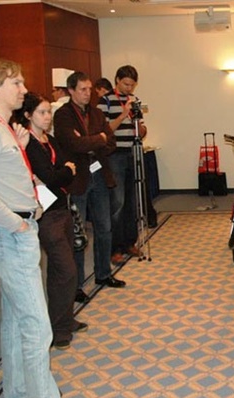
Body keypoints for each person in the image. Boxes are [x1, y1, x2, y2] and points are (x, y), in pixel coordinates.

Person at [0, 59, 73, 398]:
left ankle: (15, 392)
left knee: (15, 318)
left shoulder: (3, 129)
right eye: (16, 82)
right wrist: (14, 222)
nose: (23, 87)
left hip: (20, 230)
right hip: (9, 234)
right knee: (37, 325)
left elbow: (13, 177)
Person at [14, 92, 88, 350]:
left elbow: (60, 172)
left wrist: (62, 173)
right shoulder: (29, 144)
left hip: (62, 208)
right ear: (28, 115)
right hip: (46, 214)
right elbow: (52, 175)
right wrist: (64, 171)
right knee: (65, 270)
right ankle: (58, 329)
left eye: (49, 113)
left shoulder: (50, 140)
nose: (48, 118)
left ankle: (64, 319)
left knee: (62, 271)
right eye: (42, 113)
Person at [54, 71, 126, 302]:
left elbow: (111, 141)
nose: (88, 93)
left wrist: (97, 140)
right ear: (71, 91)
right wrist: (99, 138)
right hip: (78, 180)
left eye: (89, 89)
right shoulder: (63, 116)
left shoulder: (96, 113)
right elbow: (73, 144)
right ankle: (76, 285)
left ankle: (103, 273)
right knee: (78, 234)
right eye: (82, 89)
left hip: (100, 176)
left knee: (104, 227)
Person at [97, 65, 157, 266]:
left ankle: (130, 242)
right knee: (118, 202)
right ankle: (115, 248)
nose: (129, 88)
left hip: (134, 152)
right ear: (117, 80)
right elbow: (105, 130)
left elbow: (140, 130)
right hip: (115, 155)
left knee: (133, 200)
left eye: (132, 85)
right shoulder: (105, 101)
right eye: (126, 84)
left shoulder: (134, 101)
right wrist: (123, 114)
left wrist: (141, 127)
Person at [48, 67, 73, 136]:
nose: (52, 94)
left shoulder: (53, 107)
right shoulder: (76, 105)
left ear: (61, 91)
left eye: (54, 91)